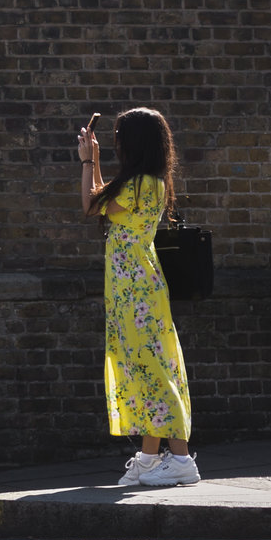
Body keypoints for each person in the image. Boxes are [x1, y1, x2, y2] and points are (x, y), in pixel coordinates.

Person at [81, 108, 199, 487]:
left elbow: (90, 204)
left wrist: (87, 162)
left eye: (120, 137)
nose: (117, 143)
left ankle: (180, 460)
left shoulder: (142, 184)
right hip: (132, 287)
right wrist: (95, 160)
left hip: (136, 289)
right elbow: (103, 201)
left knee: (153, 368)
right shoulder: (146, 182)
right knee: (146, 366)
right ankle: (151, 457)